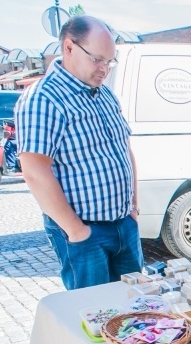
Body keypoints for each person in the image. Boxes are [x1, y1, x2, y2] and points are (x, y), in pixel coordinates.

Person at [16, 15, 142, 290]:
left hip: (123, 224)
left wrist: (133, 206)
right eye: (97, 59)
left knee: (135, 311)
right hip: (85, 233)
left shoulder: (104, 94)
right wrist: (76, 230)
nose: (104, 68)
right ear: (69, 47)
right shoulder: (44, 98)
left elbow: (124, 148)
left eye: (109, 61)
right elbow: (35, 171)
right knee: (94, 317)